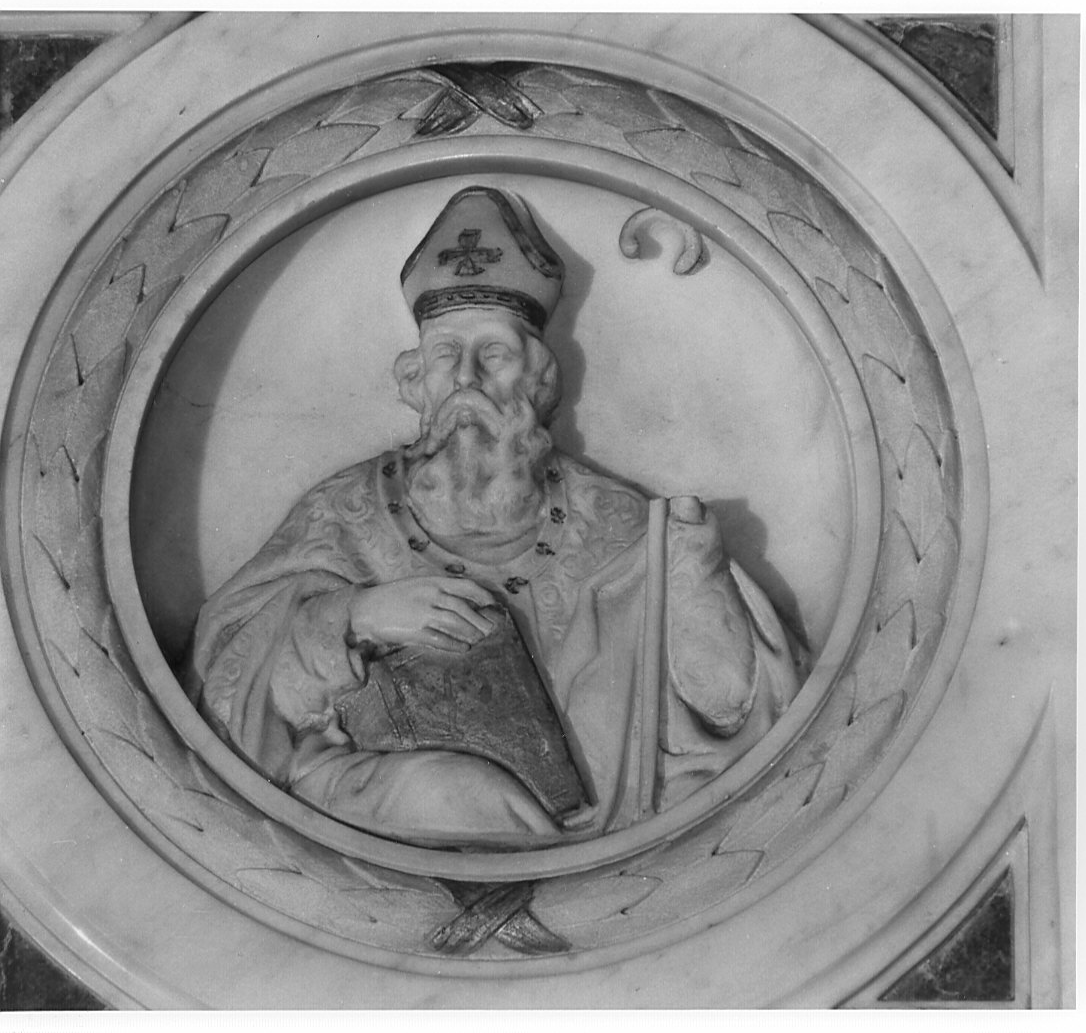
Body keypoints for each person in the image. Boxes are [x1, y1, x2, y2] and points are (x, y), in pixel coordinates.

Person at [189, 186, 799, 849]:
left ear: (537, 382)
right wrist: (356, 617)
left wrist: (696, 571)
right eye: (446, 355)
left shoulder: (615, 521)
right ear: (416, 381)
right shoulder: (342, 511)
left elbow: (731, 706)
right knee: (449, 798)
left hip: (601, 830)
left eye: (495, 354)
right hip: (376, 797)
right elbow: (228, 687)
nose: (467, 379)